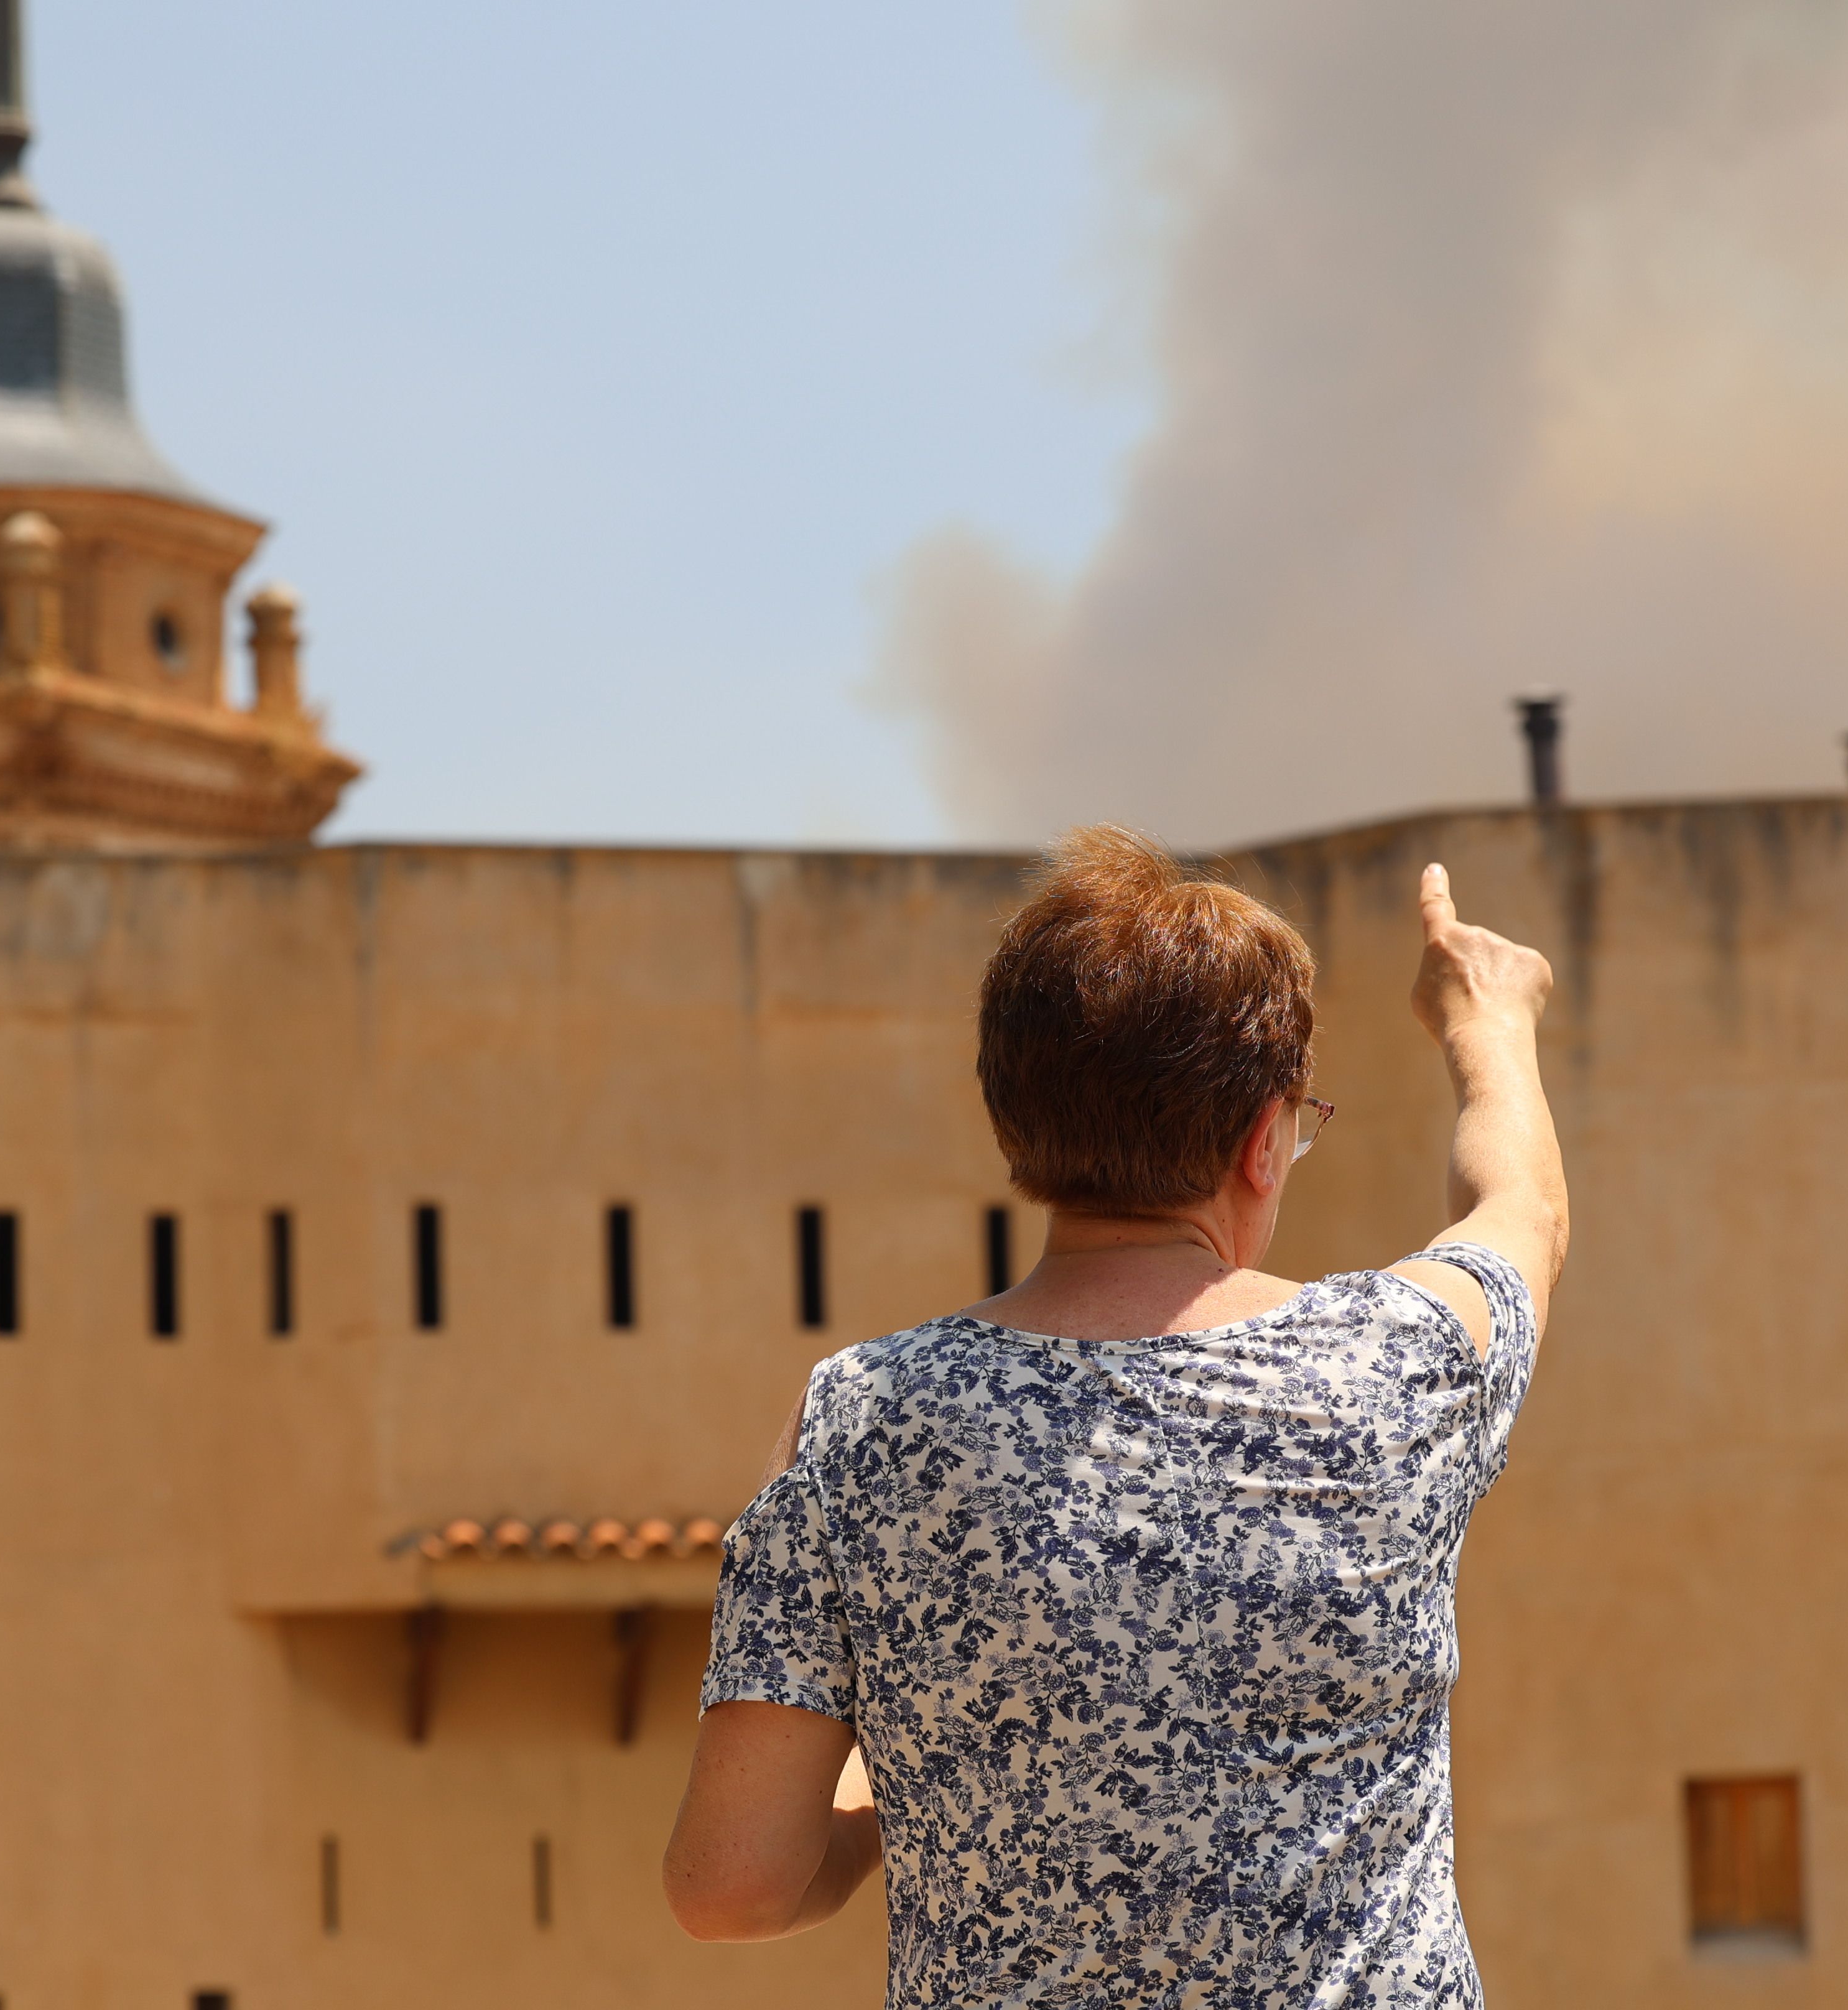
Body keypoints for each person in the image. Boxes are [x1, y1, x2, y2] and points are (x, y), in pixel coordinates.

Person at [662, 826, 1567, 2005]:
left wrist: (919, 1754)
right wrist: (1485, 1022)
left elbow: (734, 1883)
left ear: (1015, 1128)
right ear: (1260, 1143)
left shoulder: (863, 1423)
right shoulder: (1397, 1366)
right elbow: (1520, 1208)